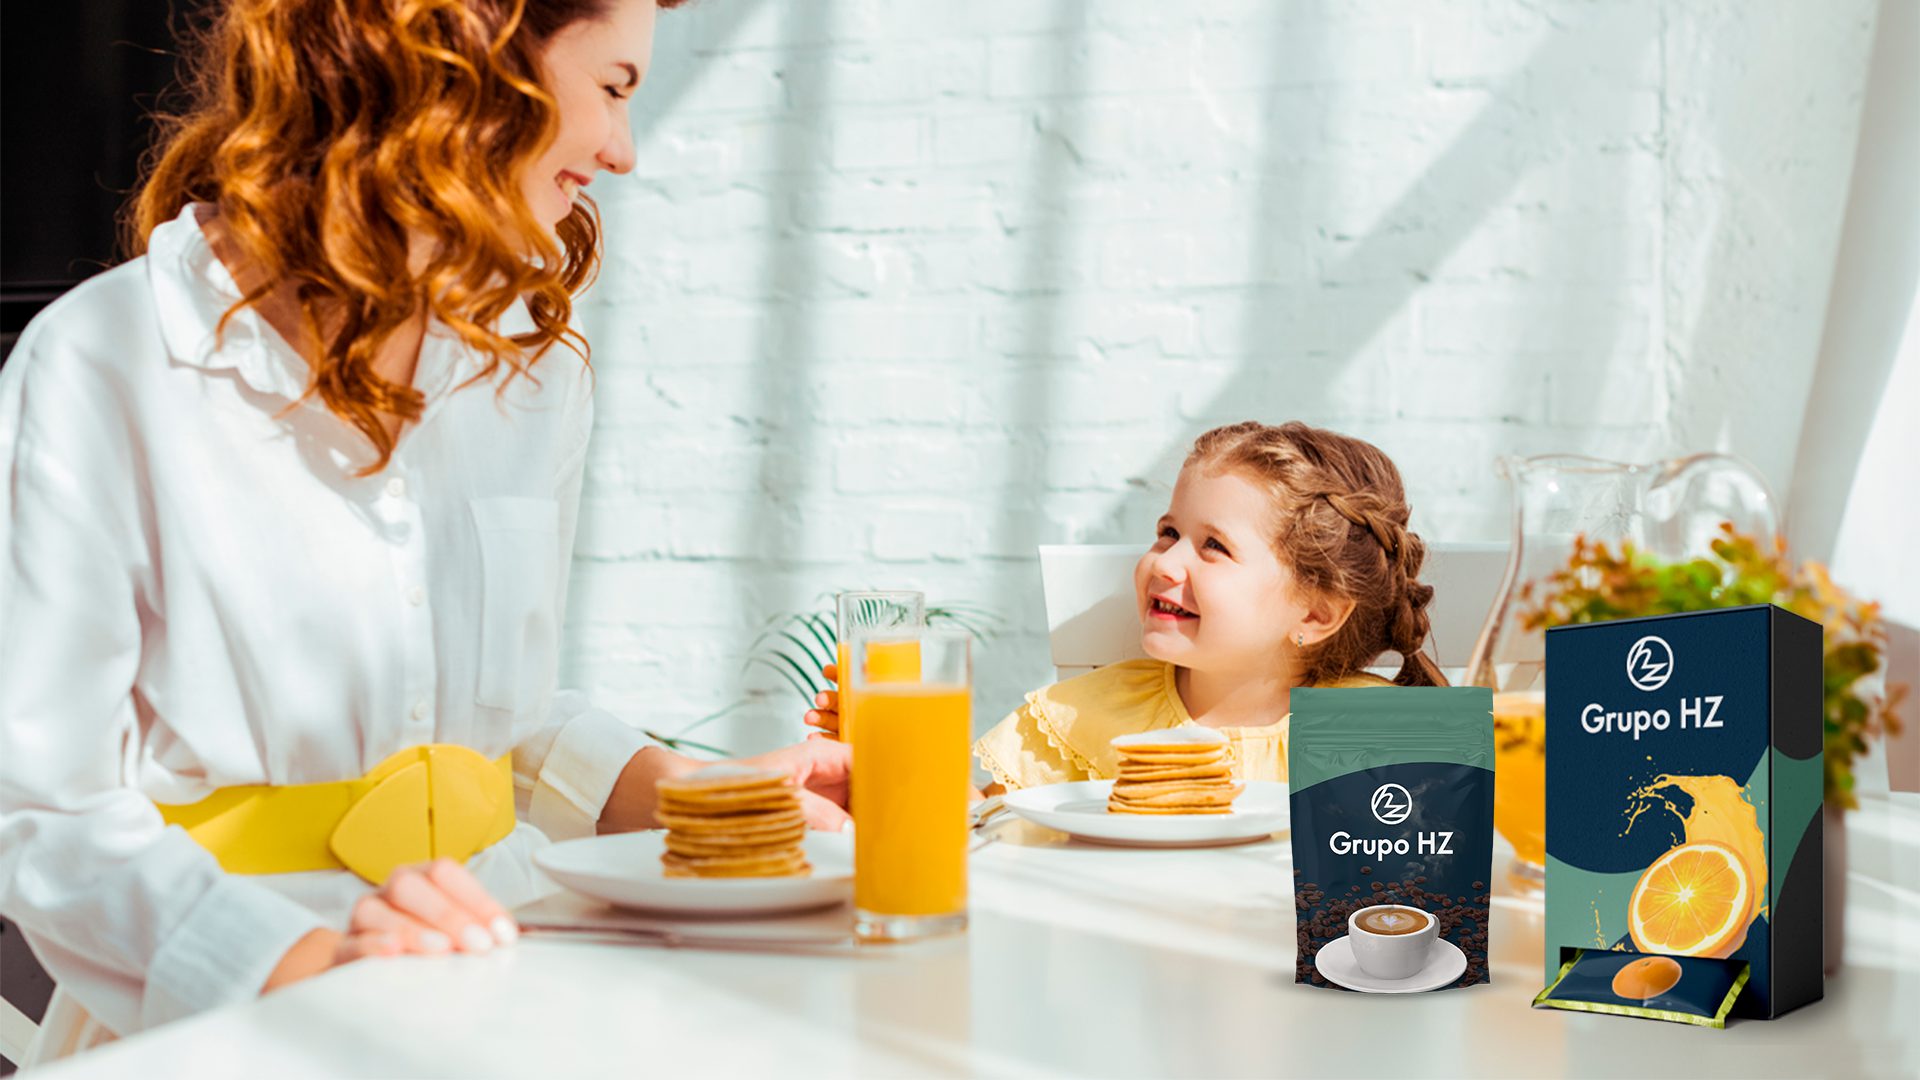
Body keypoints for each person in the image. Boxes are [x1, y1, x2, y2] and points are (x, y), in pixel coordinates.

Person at [0, 0, 847, 1037]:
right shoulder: (101, 363)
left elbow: (485, 711)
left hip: (499, 975)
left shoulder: (529, 368)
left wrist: (683, 794)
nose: (622, 152)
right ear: (469, 62)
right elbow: (39, 810)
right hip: (216, 1027)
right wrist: (311, 969)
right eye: (615, 88)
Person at [808, 421, 1444, 787]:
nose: (1164, 562)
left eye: (1213, 546)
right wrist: (879, 765)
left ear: (1314, 614)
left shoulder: (1392, 736)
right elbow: (984, 838)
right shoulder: (1079, 719)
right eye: (1168, 532)